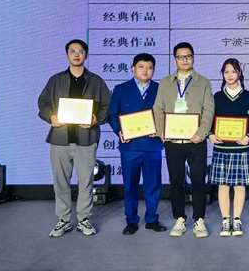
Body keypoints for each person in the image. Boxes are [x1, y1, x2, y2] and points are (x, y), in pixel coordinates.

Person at [38, 39, 110, 237]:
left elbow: (107, 106)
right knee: (60, 181)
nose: (76, 54)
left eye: (80, 51)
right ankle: (63, 220)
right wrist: (51, 116)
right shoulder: (55, 80)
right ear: (66, 55)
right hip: (60, 138)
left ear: (86, 55)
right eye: (72, 51)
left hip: (86, 138)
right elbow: (43, 103)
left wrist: (96, 119)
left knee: (86, 181)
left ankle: (84, 219)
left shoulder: (96, 81)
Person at [153, 42, 215, 238]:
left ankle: (199, 220)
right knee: (176, 181)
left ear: (193, 58)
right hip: (172, 142)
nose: (185, 60)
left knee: (198, 180)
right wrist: (162, 131)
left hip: (196, 141)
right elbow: (158, 108)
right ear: (175, 60)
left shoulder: (203, 82)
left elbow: (209, 110)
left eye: (188, 56)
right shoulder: (165, 83)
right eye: (180, 57)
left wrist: (202, 132)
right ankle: (179, 219)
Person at [107, 53, 167, 235]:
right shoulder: (121, 89)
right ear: (133, 68)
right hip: (130, 147)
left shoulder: (160, 89)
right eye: (141, 66)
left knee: (153, 184)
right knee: (130, 185)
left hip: (152, 145)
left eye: (149, 67)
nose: (145, 70)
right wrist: (120, 130)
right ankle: (131, 220)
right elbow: (112, 114)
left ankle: (152, 219)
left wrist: (162, 129)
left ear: (153, 70)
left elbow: (168, 113)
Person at [208, 59, 249, 237]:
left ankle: (236, 220)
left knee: (239, 185)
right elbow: (209, 119)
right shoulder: (217, 97)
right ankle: (225, 220)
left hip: (240, 148)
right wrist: (210, 134)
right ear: (222, 74)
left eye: (233, 71)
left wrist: (248, 135)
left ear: (239, 73)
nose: (230, 75)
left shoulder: (248, 97)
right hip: (221, 148)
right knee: (223, 185)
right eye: (226, 71)